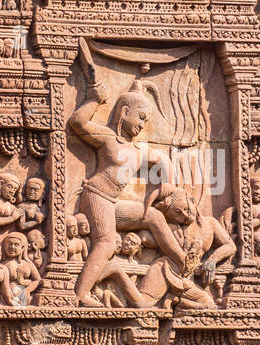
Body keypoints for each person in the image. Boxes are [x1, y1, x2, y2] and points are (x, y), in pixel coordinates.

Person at [68, 80, 187, 305]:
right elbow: (78, 123)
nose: (143, 125)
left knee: (153, 216)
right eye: (141, 117)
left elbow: (163, 159)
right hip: (96, 196)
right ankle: (81, 293)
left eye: (146, 121)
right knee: (106, 242)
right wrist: (94, 99)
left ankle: (183, 261)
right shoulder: (108, 139)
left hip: (112, 204)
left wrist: (168, 184)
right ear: (125, 112)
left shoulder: (137, 151)